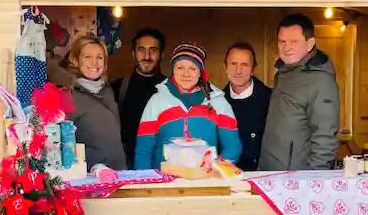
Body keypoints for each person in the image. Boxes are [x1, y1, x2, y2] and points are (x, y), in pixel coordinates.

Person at [133, 44, 242, 170]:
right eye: (180, 68)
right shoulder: (157, 101)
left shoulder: (218, 101)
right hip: (164, 184)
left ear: (201, 72)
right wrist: (147, 183)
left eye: (192, 68)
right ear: (173, 70)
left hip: (205, 183)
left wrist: (215, 168)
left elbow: (233, 147)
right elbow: (143, 151)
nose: (186, 74)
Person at [260, 13, 340, 171]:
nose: (286, 47)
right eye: (282, 41)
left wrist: (313, 180)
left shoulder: (321, 81)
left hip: (296, 179)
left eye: (294, 42)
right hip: (272, 172)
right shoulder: (282, 73)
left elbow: (325, 138)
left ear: (310, 44)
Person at [67, 36, 126, 170]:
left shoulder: (109, 92)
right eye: (87, 57)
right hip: (90, 179)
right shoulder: (68, 96)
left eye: (99, 57)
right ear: (76, 60)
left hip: (119, 173)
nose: (94, 63)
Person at [111, 28, 167, 164]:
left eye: (153, 50)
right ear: (134, 53)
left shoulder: (170, 88)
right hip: (126, 165)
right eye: (141, 49)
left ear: (162, 54)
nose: (147, 56)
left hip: (163, 163)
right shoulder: (117, 88)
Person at [223, 41, 272, 172]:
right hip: (229, 175)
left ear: (253, 70)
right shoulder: (218, 102)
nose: (238, 71)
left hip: (262, 174)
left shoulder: (271, 99)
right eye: (233, 64)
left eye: (244, 65)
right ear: (226, 67)